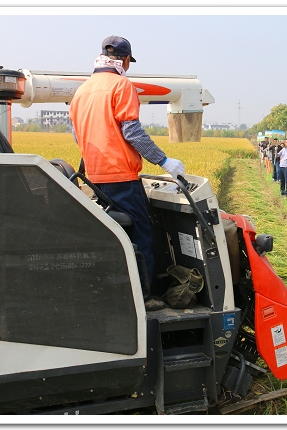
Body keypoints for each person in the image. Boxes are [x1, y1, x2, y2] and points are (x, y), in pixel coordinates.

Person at [69, 35, 186, 312]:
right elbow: (131, 131)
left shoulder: (82, 91)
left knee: (114, 237)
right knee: (141, 237)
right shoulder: (121, 86)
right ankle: (144, 297)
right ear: (123, 60)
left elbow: (76, 134)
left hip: (96, 180)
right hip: (121, 177)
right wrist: (164, 161)